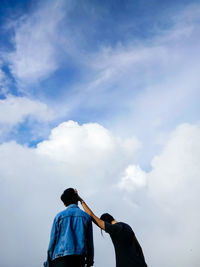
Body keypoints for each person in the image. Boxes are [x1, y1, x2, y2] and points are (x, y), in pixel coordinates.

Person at [75, 190, 147, 267]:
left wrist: (81, 200)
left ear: (106, 223)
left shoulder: (114, 229)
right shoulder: (127, 227)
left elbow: (92, 216)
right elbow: (139, 248)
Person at [44, 188, 94, 267]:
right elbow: (89, 241)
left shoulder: (59, 217)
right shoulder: (86, 217)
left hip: (60, 259)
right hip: (78, 259)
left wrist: (48, 261)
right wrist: (90, 260)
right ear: (76, 200)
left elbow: (52, 241)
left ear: (65, 203)